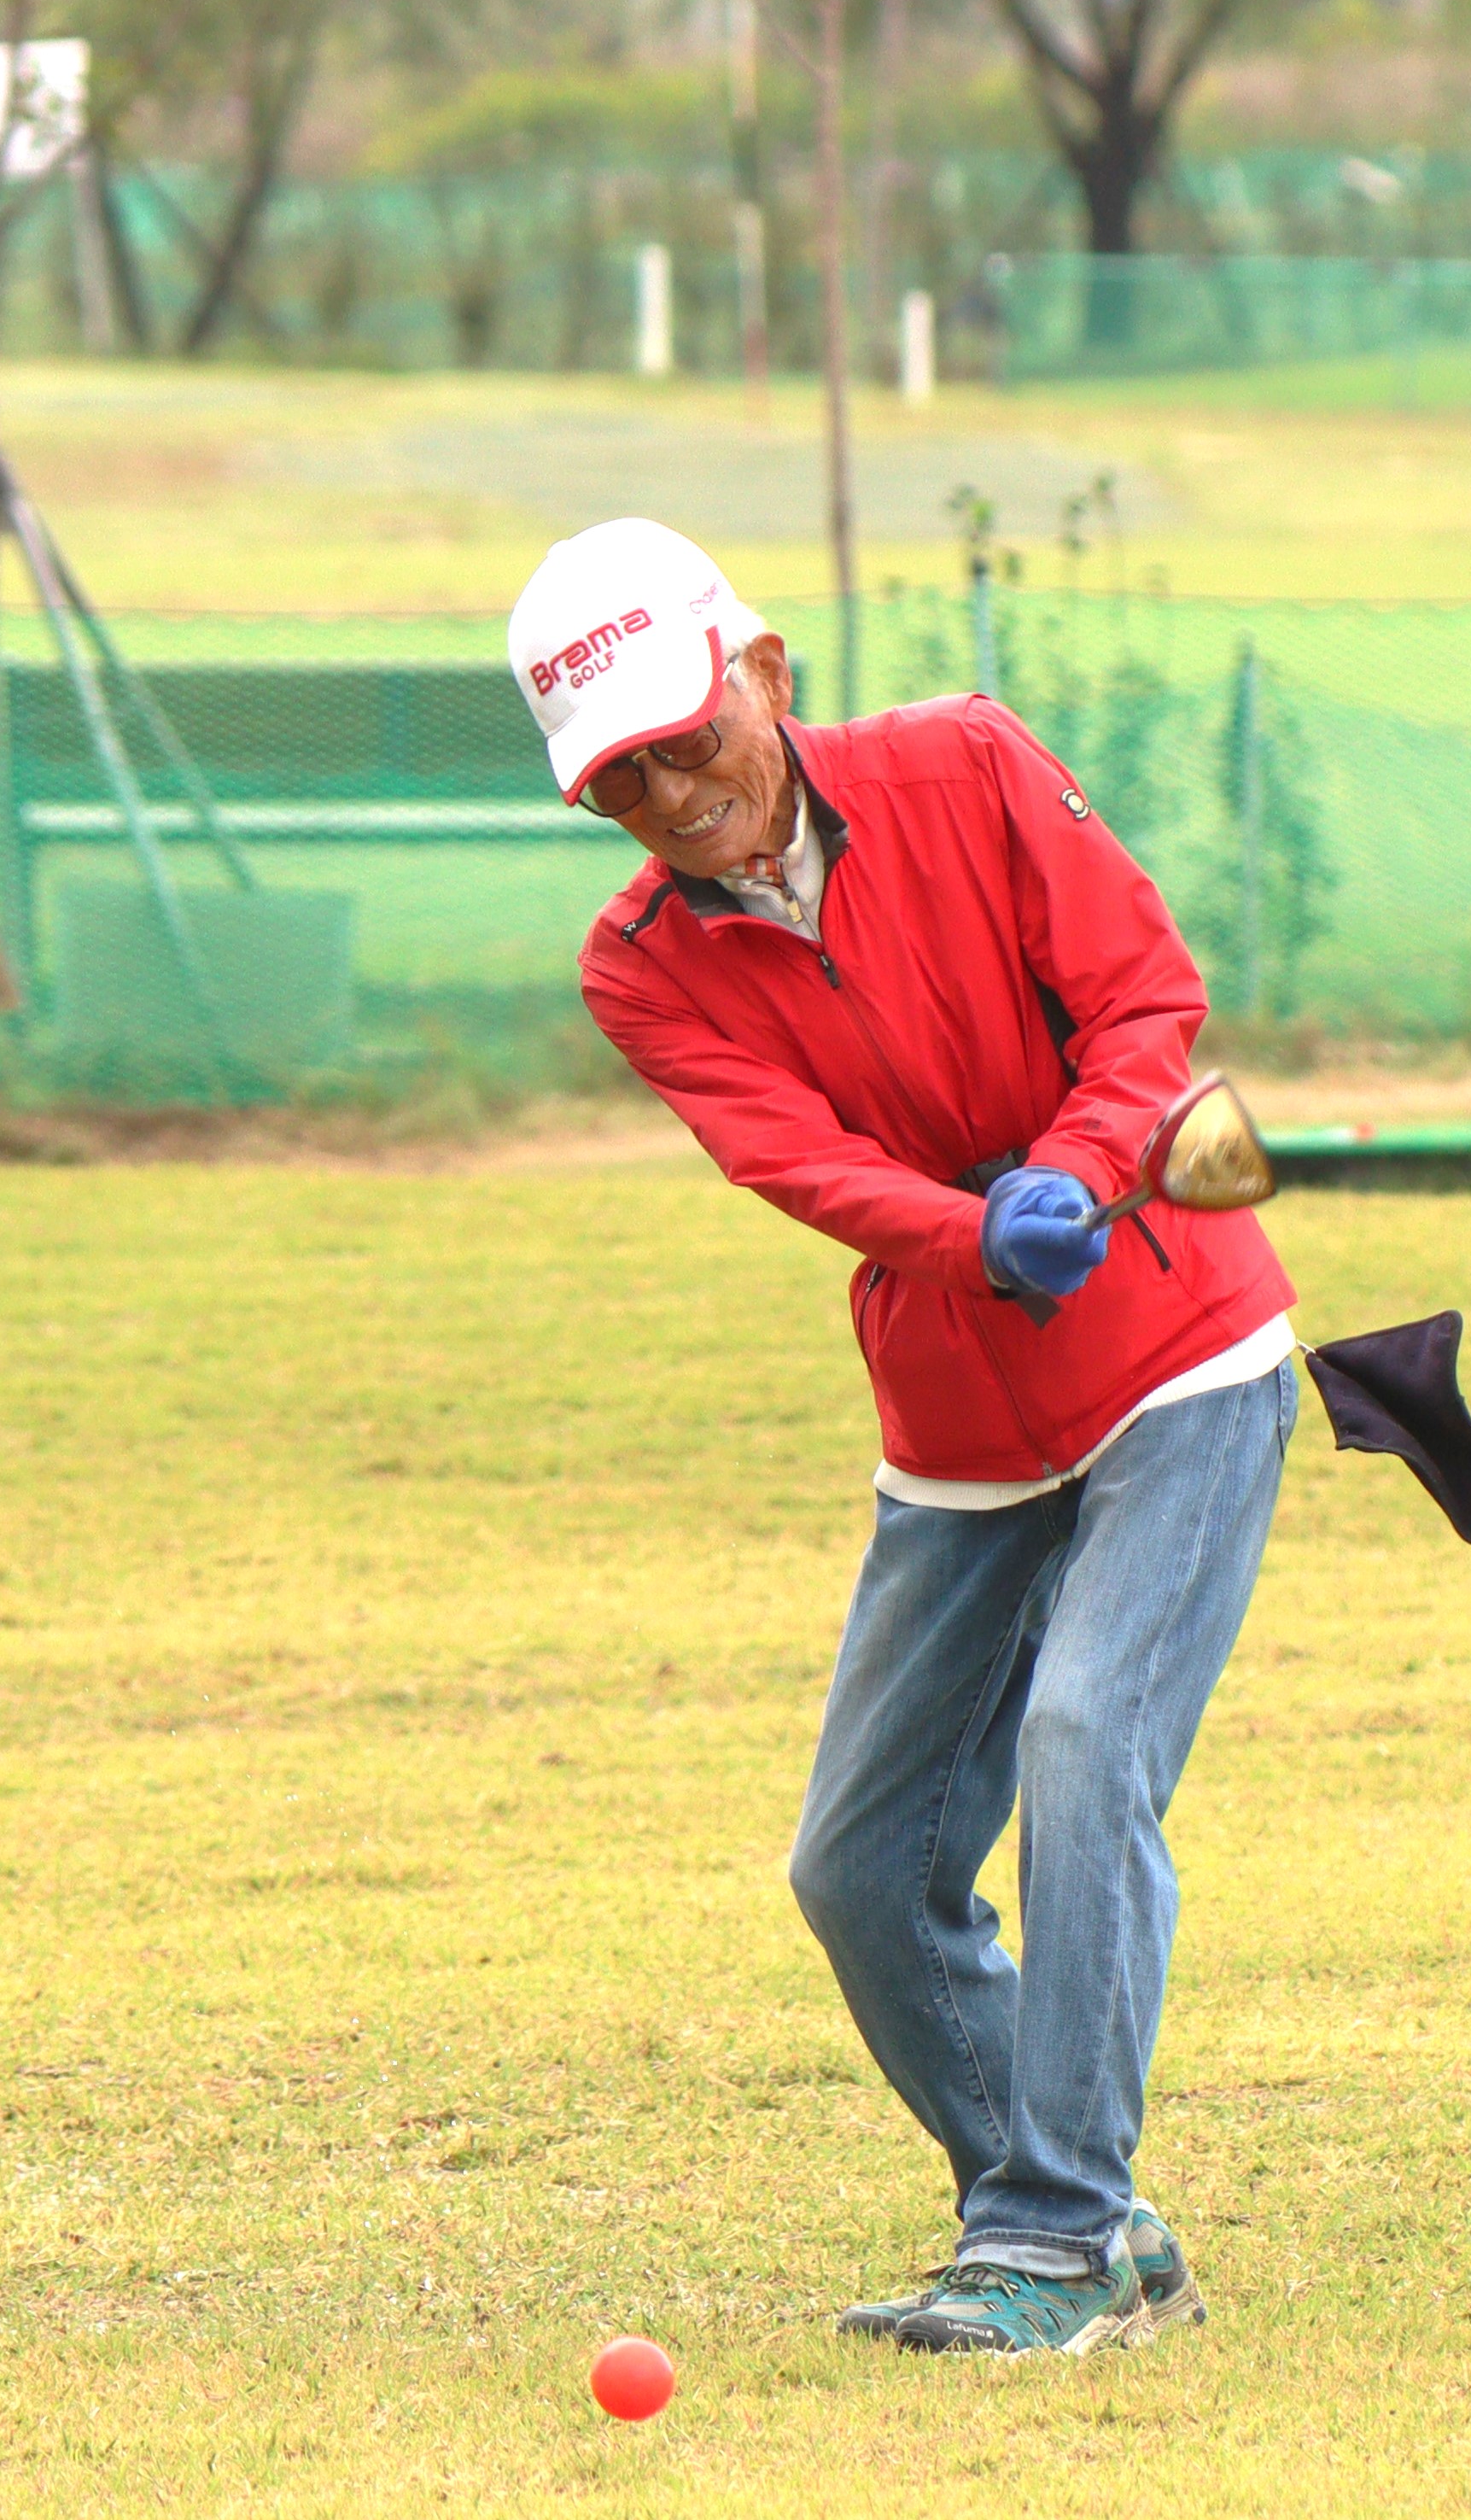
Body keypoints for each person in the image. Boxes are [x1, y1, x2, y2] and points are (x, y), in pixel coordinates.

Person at [522, 519, 1296, 2355]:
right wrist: (969, 1234)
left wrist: (1077, 1170)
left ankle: (1044, 2231)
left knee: (1087, 1735)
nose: (668, 785)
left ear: (762, 671)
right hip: (953, 1403)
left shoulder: (963, 757)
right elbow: (792, 1158)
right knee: (857, 1863)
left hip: (1177, 1342)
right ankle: (1085, 2224)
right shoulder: (635, 964)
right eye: (615, 772)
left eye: (681, 730)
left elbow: (1140, 998)